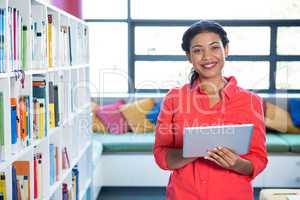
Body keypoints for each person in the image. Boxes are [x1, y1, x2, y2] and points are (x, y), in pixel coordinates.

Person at [153, 20, 268, 200]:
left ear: (226, 49)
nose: (207, 56)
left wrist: (237, 164)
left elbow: (259, 158)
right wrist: (193, 150)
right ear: (189, 57)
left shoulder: (251, 101)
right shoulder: (174, 99)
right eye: (198, 50)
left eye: (214, 47)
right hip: (184, 195)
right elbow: (161, 155)